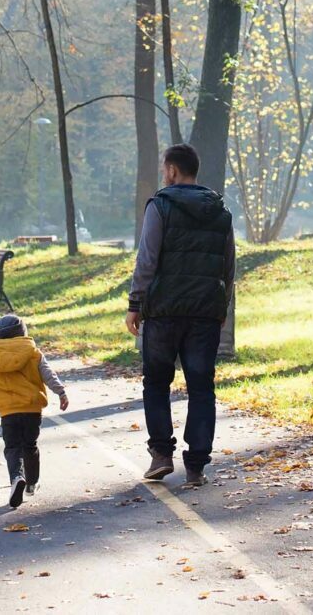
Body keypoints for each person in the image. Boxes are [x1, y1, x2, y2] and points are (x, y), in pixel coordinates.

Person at [125, 144, 235, 487]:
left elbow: (147, 259)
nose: (163, 174)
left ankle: (161, 454)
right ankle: (196, 466)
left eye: (164, 169)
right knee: (202, 388)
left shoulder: (160, 206)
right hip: (204, 313)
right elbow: (228, 266)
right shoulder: (220, 211)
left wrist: (135, 303)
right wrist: (222, 307)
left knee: (157, 383)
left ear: (172, 170)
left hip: (164, 312)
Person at [0, 314, 69, 508]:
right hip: (32, 409)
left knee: (12, 447)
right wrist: (61, 393)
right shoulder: (32, 352)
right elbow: (48, 374)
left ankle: (16, 477)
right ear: (23, 331)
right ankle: (31, 483)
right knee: (30, 446)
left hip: (8, 410)